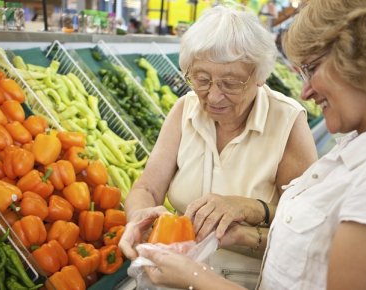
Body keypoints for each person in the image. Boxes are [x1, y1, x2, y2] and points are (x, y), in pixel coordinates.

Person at [132, 0, 366, 289]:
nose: (305, 91)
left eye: (312, 68)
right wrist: (240, 234)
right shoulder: (361, 149)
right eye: (201, 79)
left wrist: (195, 276)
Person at [118, 3, 318, 288]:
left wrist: (250, 209)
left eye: (231, 83)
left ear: (260, 76)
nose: (213, 96)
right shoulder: (184, 110)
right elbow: (147, 188)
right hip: (172, 276)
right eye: (201, 79)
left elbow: (304, 230)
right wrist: (139, 216)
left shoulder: (287, 120)